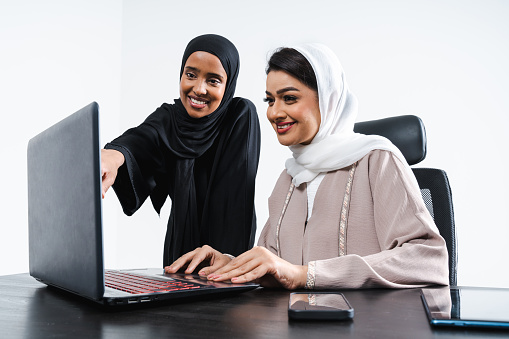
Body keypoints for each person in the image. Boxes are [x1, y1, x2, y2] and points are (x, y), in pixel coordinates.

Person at [165, 43, 449, 290]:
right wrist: (231, 263)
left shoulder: (378, 160)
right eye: (270, 100)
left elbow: (427, 259)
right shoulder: (290, 178)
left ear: (328, 98)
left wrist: (306, 276)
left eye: (289, 98)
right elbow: (277, 264)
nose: (274, 112)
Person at [101, 34, 261, 267]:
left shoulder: (239, 116)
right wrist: (114, 155)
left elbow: (234, 204)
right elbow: (142, 138)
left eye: (213, 80)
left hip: (226, 257)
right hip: (179, 253)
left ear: (228, 86)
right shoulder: (171, 118)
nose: (199, 88)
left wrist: (227, 264)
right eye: (191, 75)